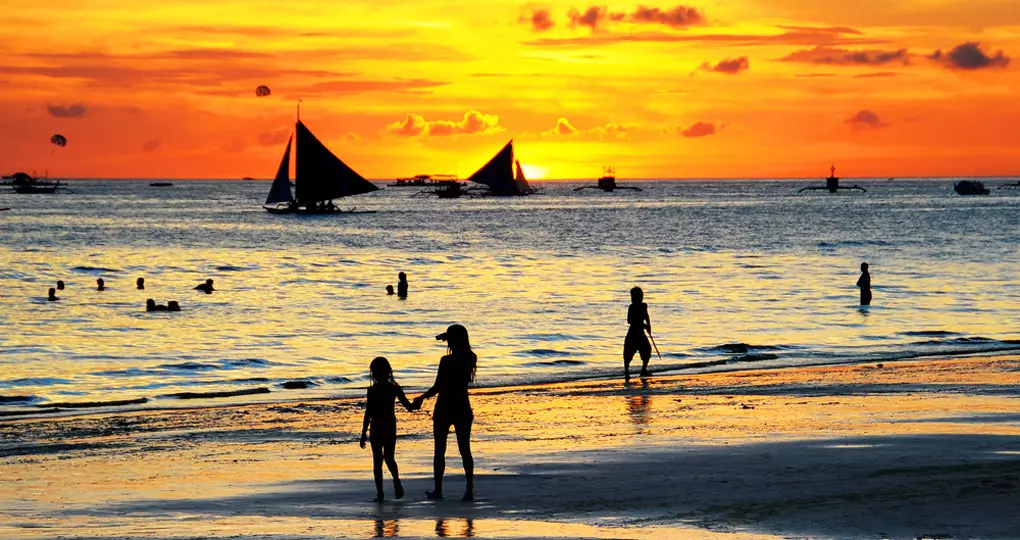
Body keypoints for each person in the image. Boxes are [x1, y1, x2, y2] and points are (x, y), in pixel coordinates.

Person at [412, 324, 477, 501]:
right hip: (462, 406)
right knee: (465, 449)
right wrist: (448, 336)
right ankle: (469, 489)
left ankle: (438, 490)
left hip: (444, 407)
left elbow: (438, 386)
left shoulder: (446, 361)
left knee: (440, 450)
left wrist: (422, 397)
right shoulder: (471, 358)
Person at [360, 357, 415, 502]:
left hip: (376, 427)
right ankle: (396, 481)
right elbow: (408, 406)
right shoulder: (394, 388)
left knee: (377, 461)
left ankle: (380, 493)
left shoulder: (372, 390)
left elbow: (368, 413)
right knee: (389, 458)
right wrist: (418, 403)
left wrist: (363, 433)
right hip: (389, 426)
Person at [624, 286, 652, 380]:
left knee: (647, 350)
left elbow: (646, 316)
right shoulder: (631, 307)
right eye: (631, 297)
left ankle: (643, 369)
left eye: (634, 297)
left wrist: (648, 326)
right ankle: (626, 372)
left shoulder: (644, 306)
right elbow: (629, 320)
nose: (632, 299)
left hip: (640, 333)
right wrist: (643, 325)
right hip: (633, 332)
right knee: (628, 353)